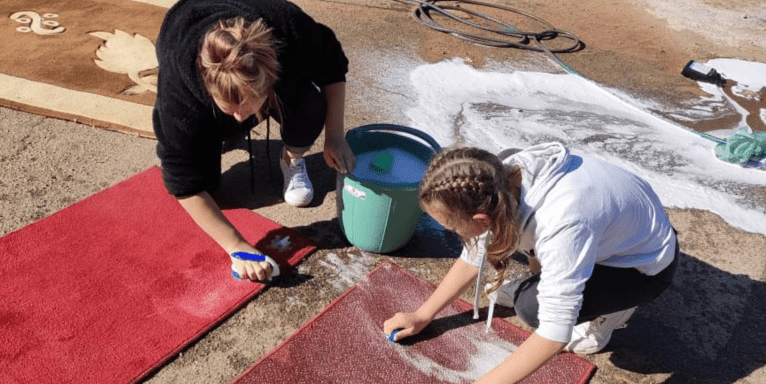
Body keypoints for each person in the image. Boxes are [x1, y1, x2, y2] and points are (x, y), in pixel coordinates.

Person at [384, 143, 678, 383]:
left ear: (481, 219)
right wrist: (423, 314)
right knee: (534, 276)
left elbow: (553, 333)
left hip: (644, 268)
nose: (452, 232)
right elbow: (474, 253)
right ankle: (549, 281)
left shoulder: (562, 223)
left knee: (532, 308)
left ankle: (609, 314)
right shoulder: (497, 176)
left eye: (451, 226)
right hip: (616, 234)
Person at [152, 0, 355, 282]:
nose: (238, 118)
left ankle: (291, 158)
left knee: (310, 106)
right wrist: (236, 245)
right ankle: (217, 128)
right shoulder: (180, 95)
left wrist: (334, 135)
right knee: (206, 183)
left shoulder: (290, 31)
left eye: (246, 107)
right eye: (228, 108)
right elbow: (182, 181)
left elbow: (333, 66)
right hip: (183, 29)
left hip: (267, 40)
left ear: (272, 79)